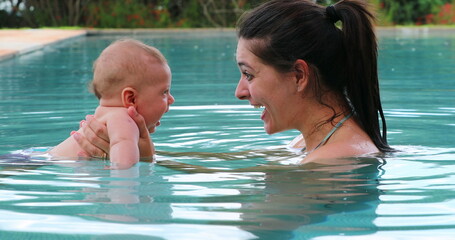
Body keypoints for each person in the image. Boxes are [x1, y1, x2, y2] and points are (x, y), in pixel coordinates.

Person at [73, 0, 393, 163]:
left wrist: (137, 161)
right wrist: (142, 152)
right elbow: (237, 164)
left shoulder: (335, 161)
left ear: (299, 76)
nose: (239, 92)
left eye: (249, 74)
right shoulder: (313, 143)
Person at [50, 39, 175, 169]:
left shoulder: (104, 114)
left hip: (42, 160)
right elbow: (125, 172)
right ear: (131, 98)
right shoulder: (123, 120)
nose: (171, 99)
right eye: (164, 92)